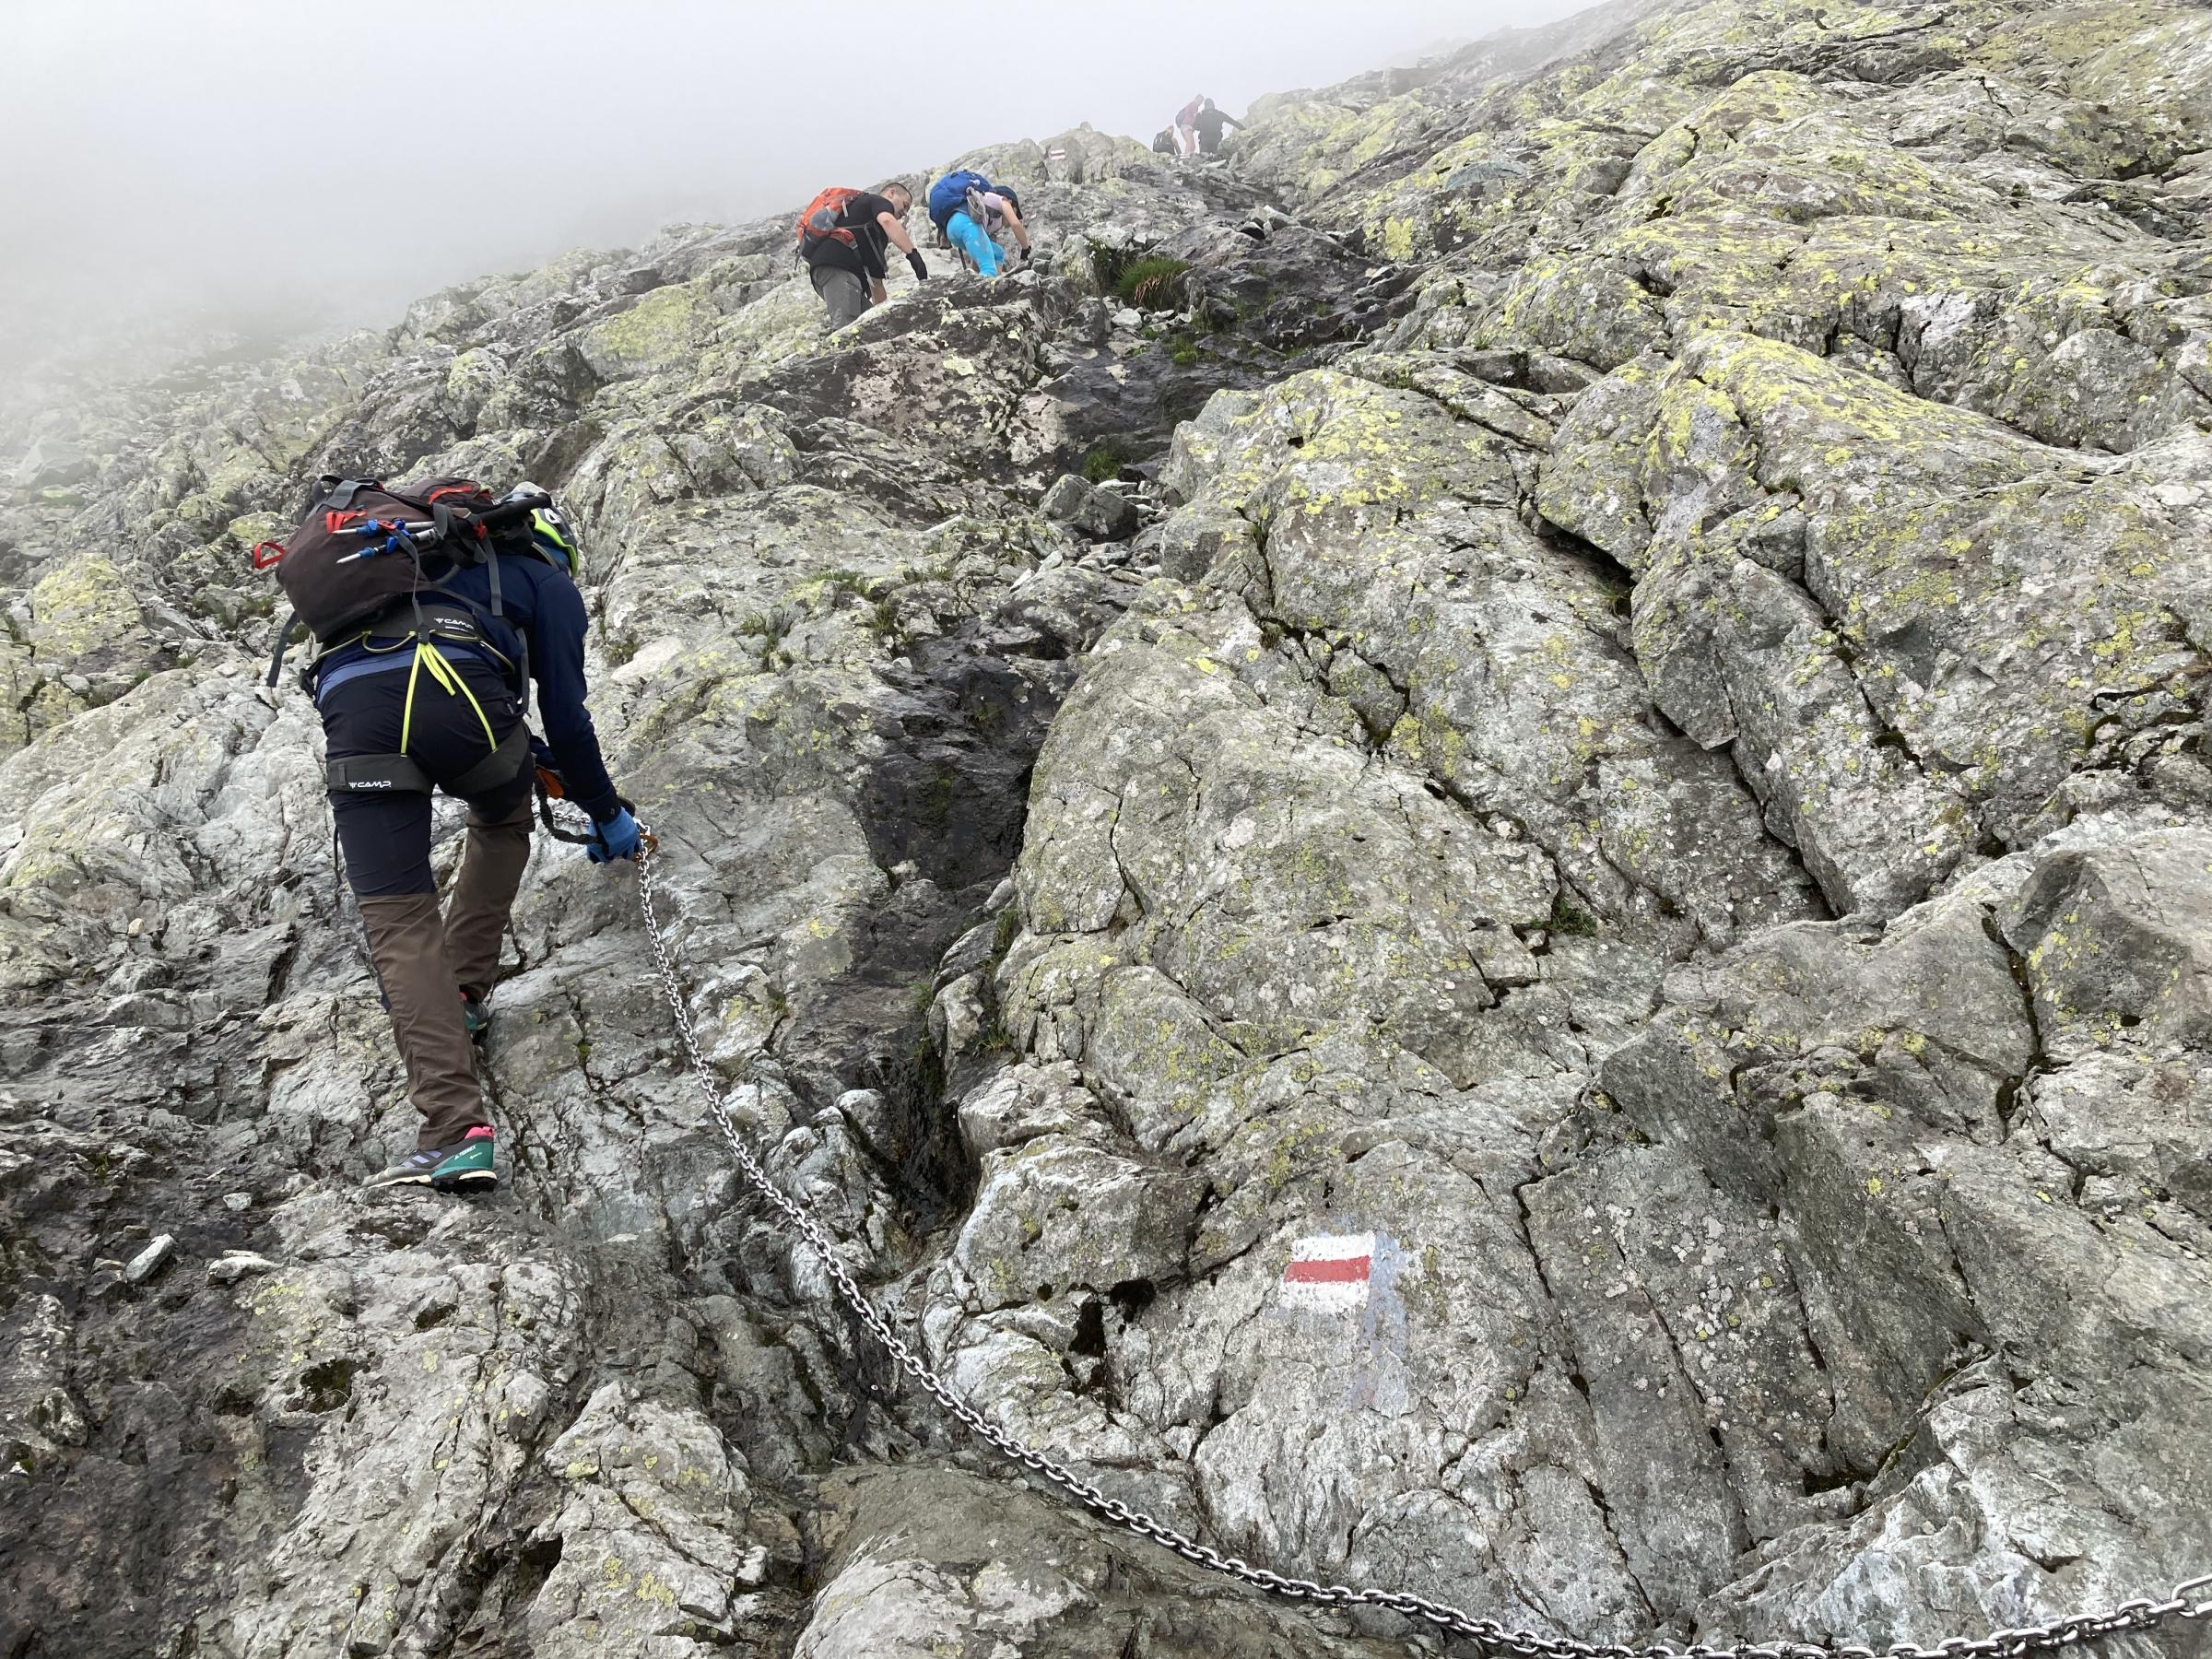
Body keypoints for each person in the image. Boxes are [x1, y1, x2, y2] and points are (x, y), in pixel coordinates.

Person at [291, 482, 640, 1194]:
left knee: (400, 919)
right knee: (504, 817)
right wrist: (607, 812)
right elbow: (565, 723)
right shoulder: (543, 580)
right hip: (468, 705)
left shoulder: (400, 569)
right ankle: (466, 993)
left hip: (354, 708)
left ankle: (453, 1132)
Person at [796, 182, 928, 330]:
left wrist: (884, 320)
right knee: (845, 329)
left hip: (832, 273)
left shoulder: (871, 231)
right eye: (905, 205)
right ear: (891, 193)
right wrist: (913, 255)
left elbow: (876, 283)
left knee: (870, 328)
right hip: (839, 269)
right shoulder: (877, 201)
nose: (904, 213)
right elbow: (887, 220)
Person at [1174, 93, 1206, 157]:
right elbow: (1193, 116)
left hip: (1185, 127)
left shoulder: (1194, 106)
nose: (1200, 103)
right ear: (1196, 99)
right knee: (1189, 143)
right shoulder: (1193, 105)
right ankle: (1184, 156)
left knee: (1193, 146)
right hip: (1186, 126)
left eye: (1201, 102)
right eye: (1199, 101)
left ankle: (1189, 156)